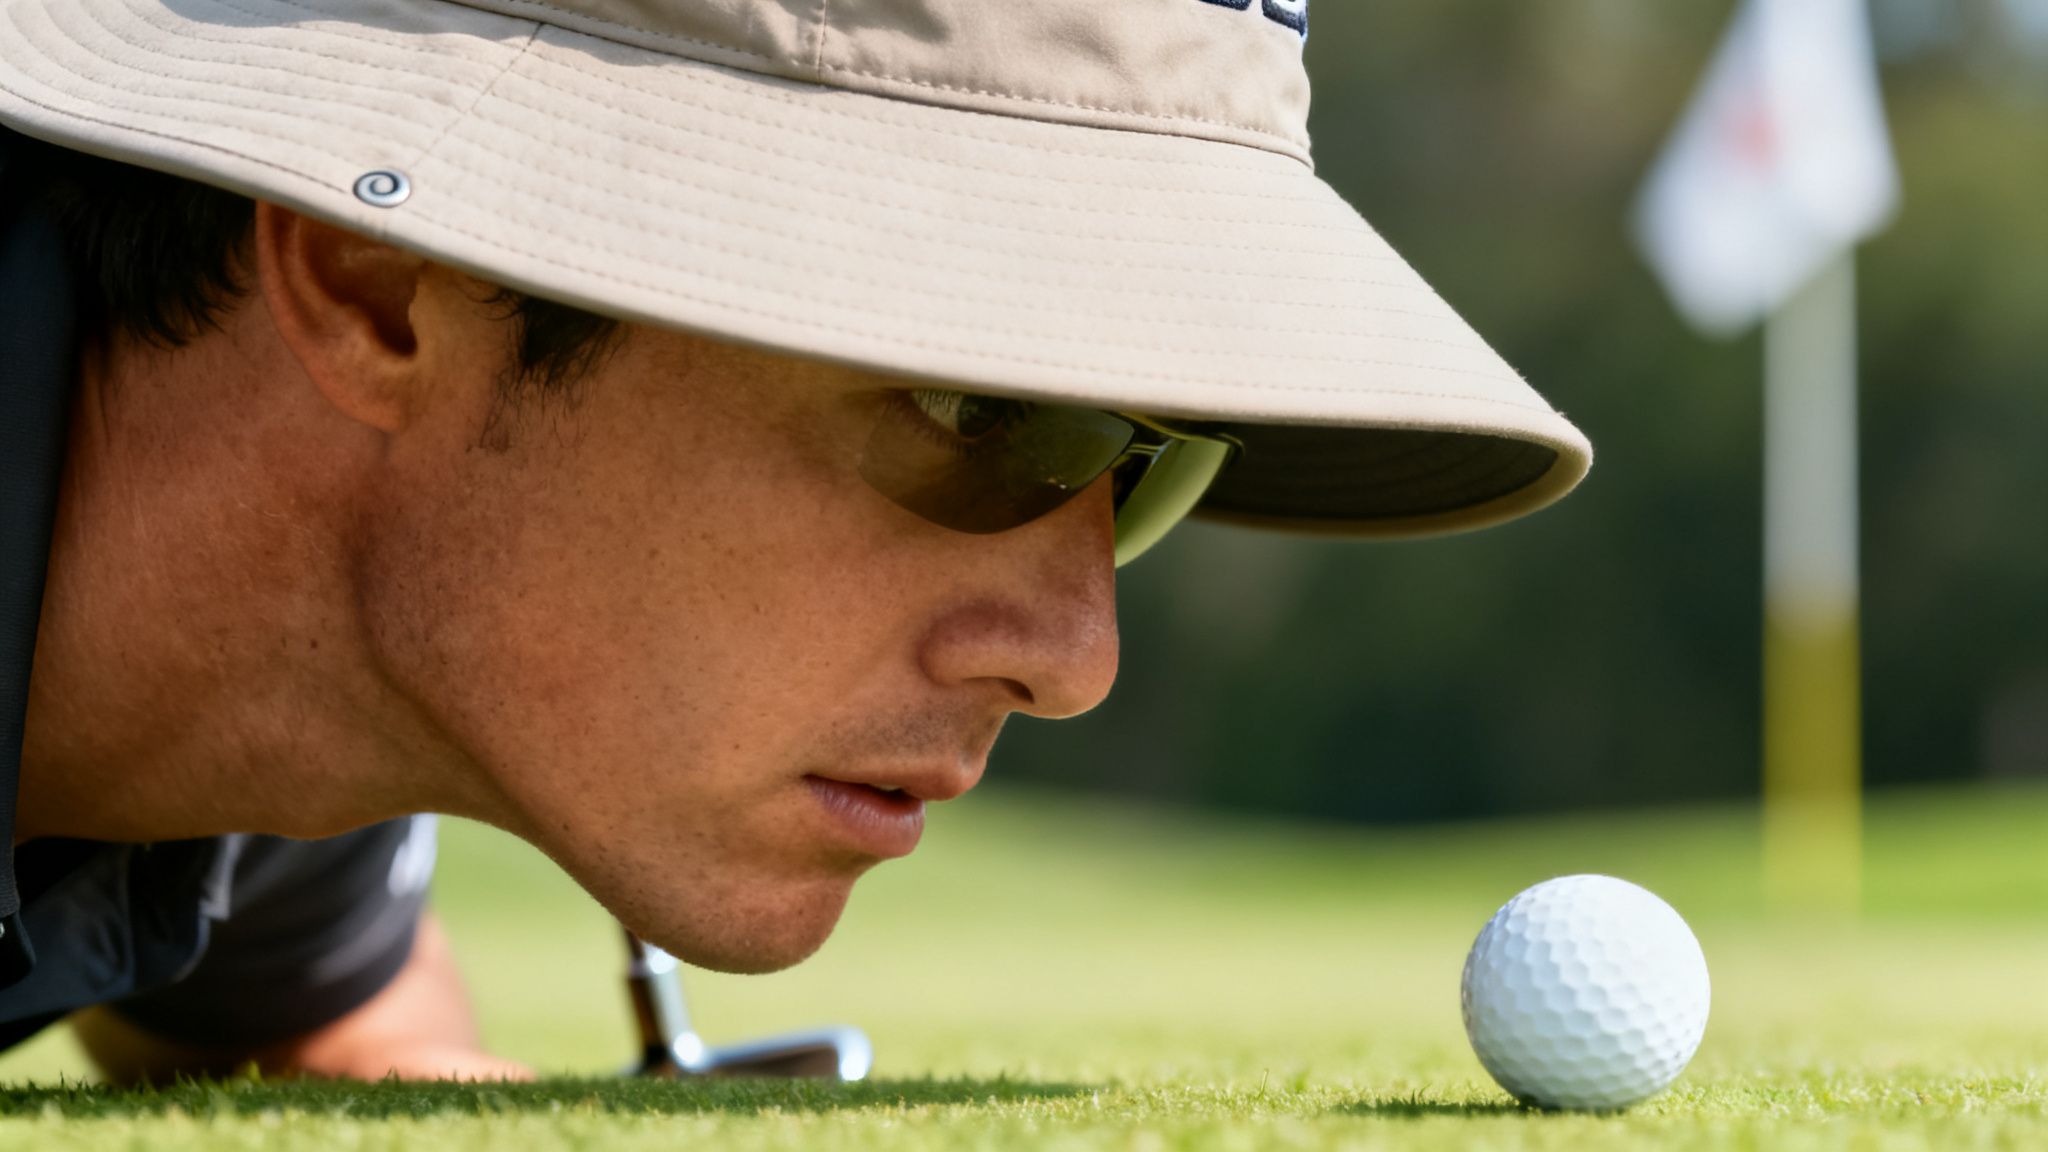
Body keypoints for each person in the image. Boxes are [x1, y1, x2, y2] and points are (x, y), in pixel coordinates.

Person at [0, 0, 1592, 1083]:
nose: (1077, 658)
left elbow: (328, 1029)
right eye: (983, 414)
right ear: (374, 280)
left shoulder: (283, 660)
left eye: (1147, 467)